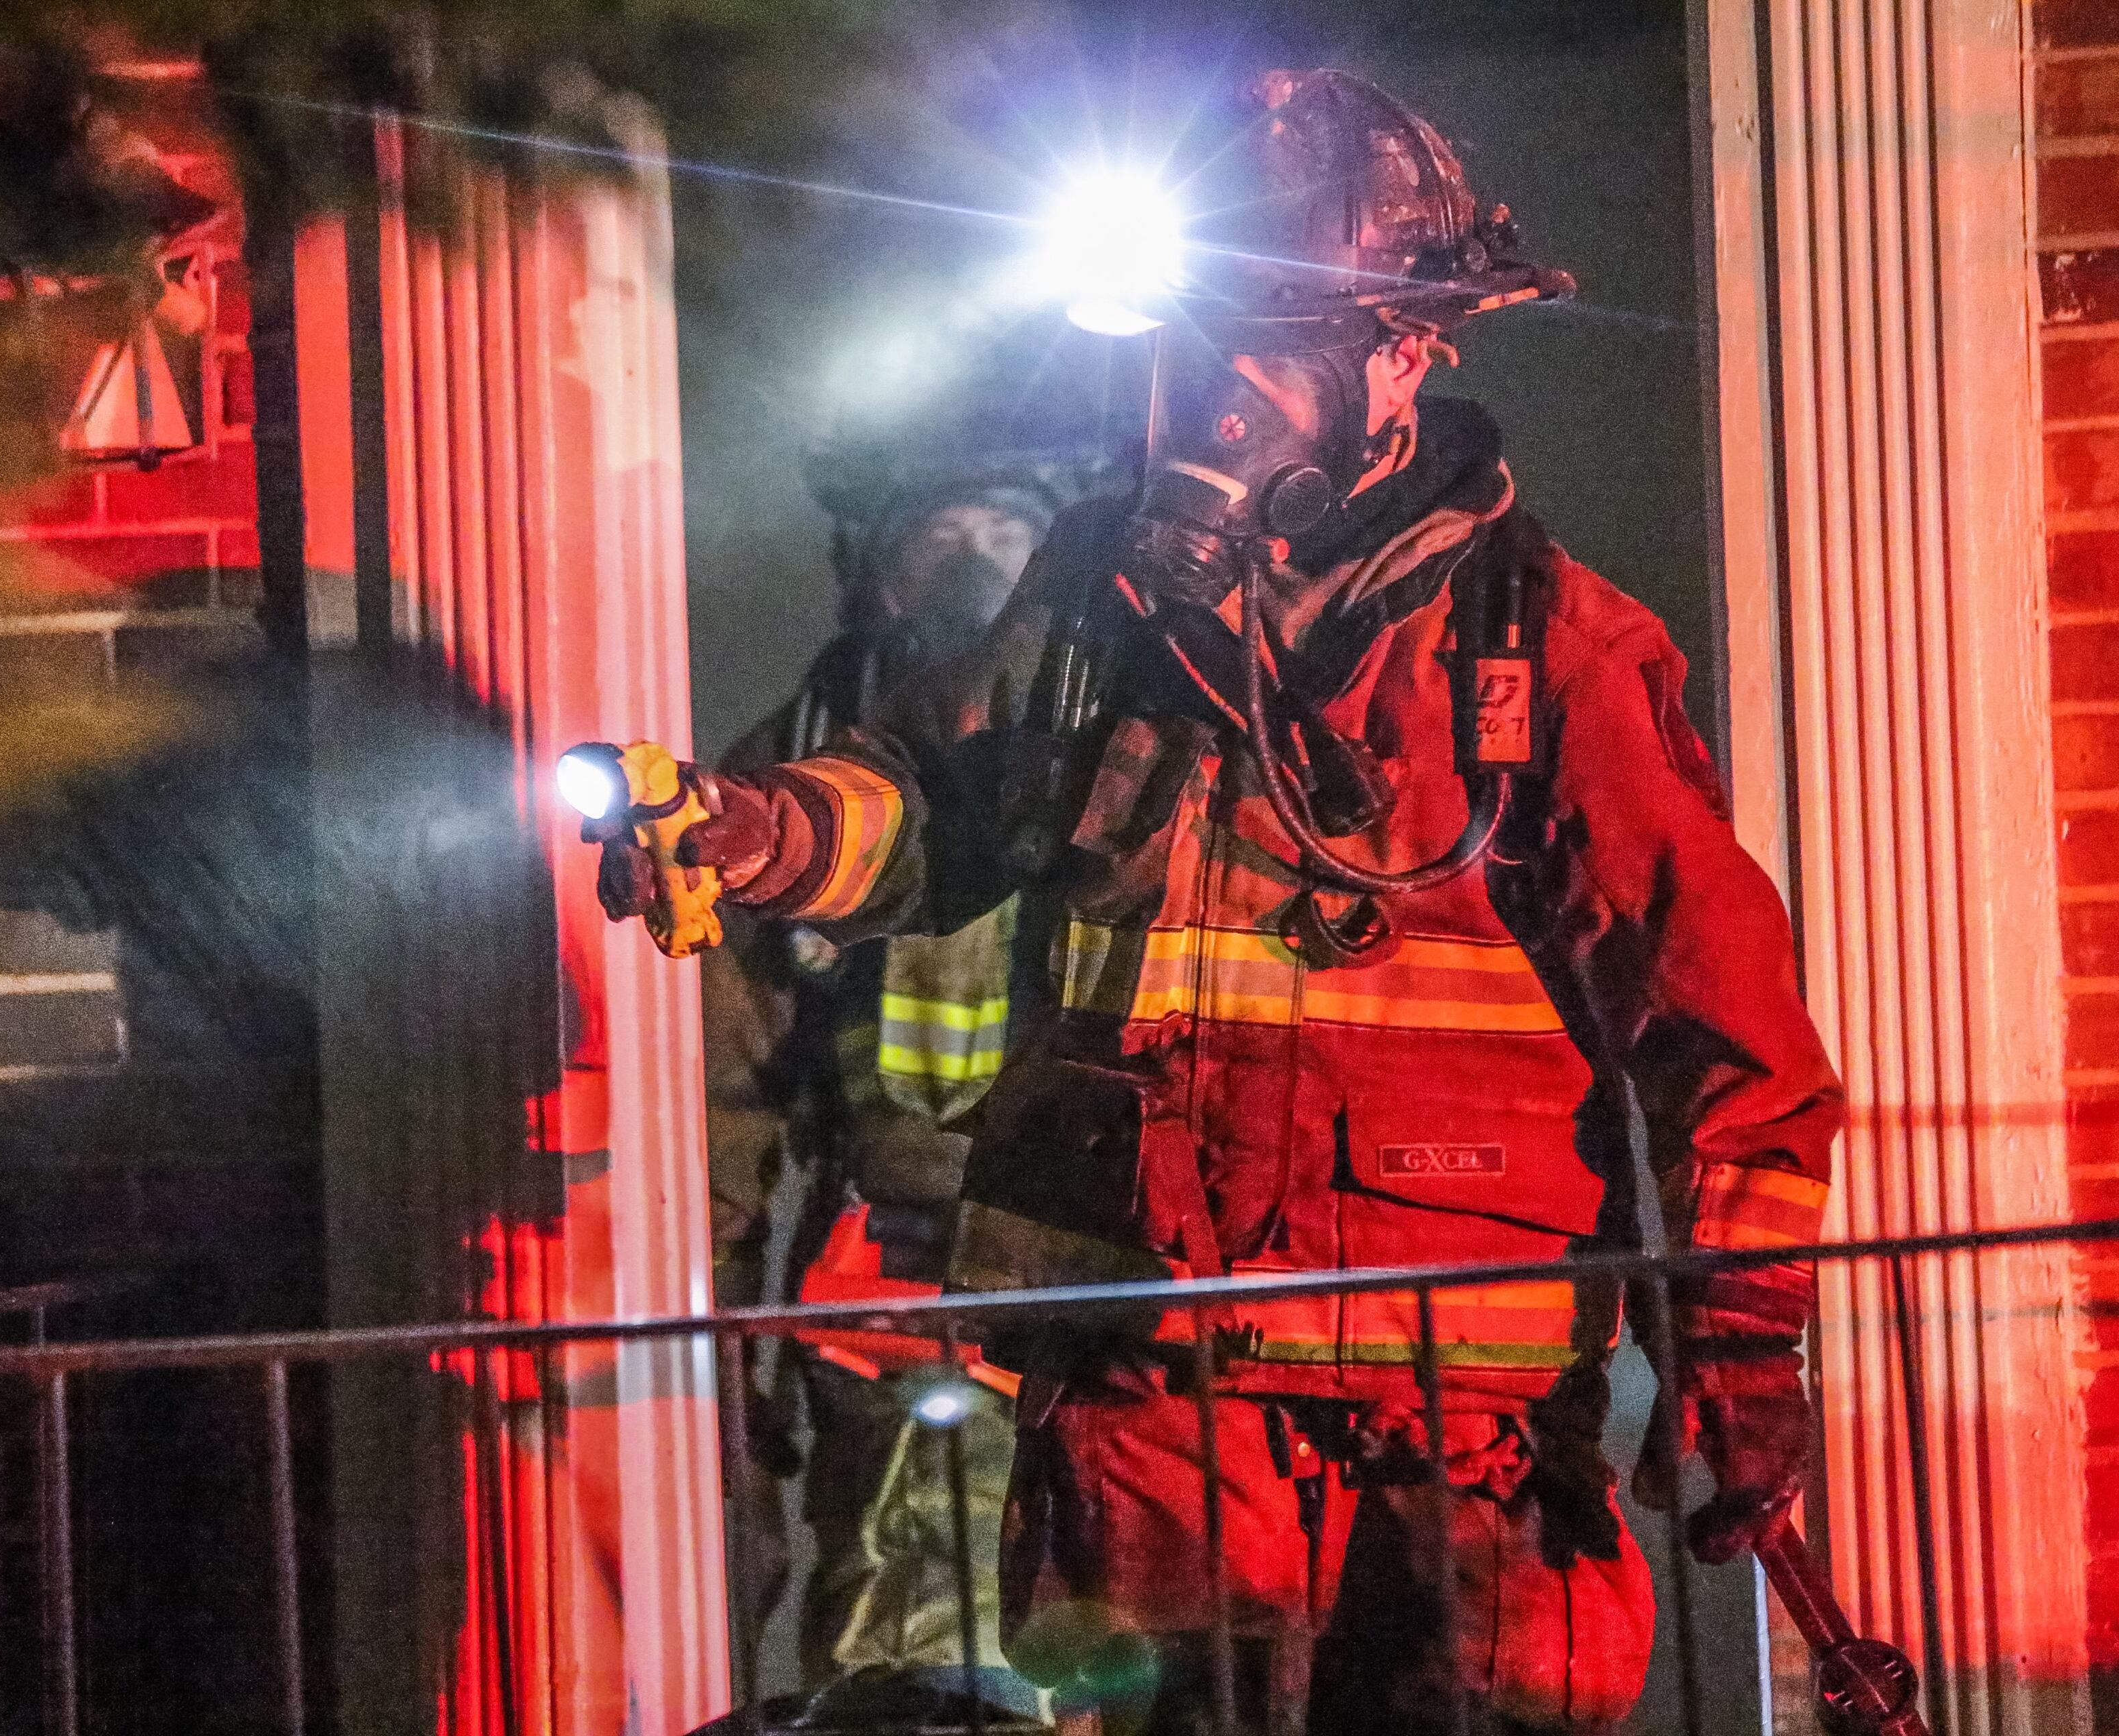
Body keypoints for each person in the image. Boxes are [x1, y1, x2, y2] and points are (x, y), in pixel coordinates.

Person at [618, 70, 1841, 1736]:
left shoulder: (1543, 651)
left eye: (1258, 345)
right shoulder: (1107, 603)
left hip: (1455, 1421)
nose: (1206, 400)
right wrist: (756, 830)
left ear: (1403, 352)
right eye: (1182, 344)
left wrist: (1748, 1342)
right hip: (1150, 1393)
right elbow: (930, 800)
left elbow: (1731, 1029)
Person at [699, 339, 1130, 1722]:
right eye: (936, 530)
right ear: (871, 564)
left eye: (1008, 528)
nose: (973, 568)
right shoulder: (793, 784)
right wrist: (719, 1349)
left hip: (1101, 1272)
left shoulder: (1130, 744)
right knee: (898, 1629)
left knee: (1120, 1612)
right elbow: (724, 1097)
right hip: (886, 1294)